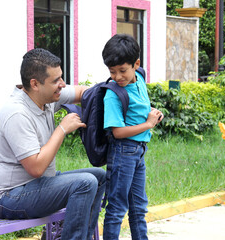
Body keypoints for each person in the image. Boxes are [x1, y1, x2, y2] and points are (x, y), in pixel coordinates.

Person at [0, 48, 106, 240]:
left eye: (61, 77)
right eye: (56, 81)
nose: (62, 84)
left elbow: (85, 93)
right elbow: (36, 168)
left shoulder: (47, 96)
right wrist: (62, 129)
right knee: (85, 182)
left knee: (100, 177)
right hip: (10, 197)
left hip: (38, 185)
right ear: (35, 84)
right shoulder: (17, 113)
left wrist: (119, 97)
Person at [101, 34, 164, 240]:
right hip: (123, 152)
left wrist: (153, 114)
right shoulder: (113, 94)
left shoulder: (141, 78)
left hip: (139, 152)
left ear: (136, 64)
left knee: (139, 207)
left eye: (122, 71)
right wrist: (147, 124)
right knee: (117, 207)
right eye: (112, 72)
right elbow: (117, 132)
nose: (118, 77)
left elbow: (140, 106)